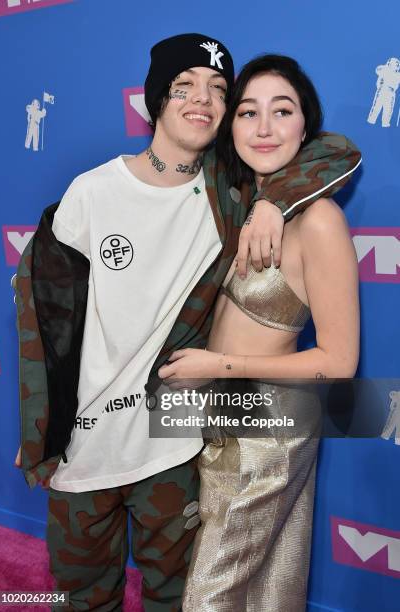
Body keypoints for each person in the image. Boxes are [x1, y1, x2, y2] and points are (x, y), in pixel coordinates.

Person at [14, 35, 360, 612]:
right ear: (155, 100)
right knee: (77, 597)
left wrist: (276, 200)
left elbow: (336, 150)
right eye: (184, 86)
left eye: (218, 90)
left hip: (173, 442)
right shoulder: (92, 192)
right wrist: (37, 426)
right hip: (86, 449)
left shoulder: (232, 190)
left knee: (181, 596)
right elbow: (43, 321)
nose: (201, 100)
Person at [158, 55, 360, 611]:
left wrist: (217, 367)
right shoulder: (236, 202)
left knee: (210, 597)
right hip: (222, 415)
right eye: (248, 112)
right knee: (269, 590)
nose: (264, 127)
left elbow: (340, 361)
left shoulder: (318, 221)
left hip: (268, 430)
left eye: (282, 110)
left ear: (305, 126)